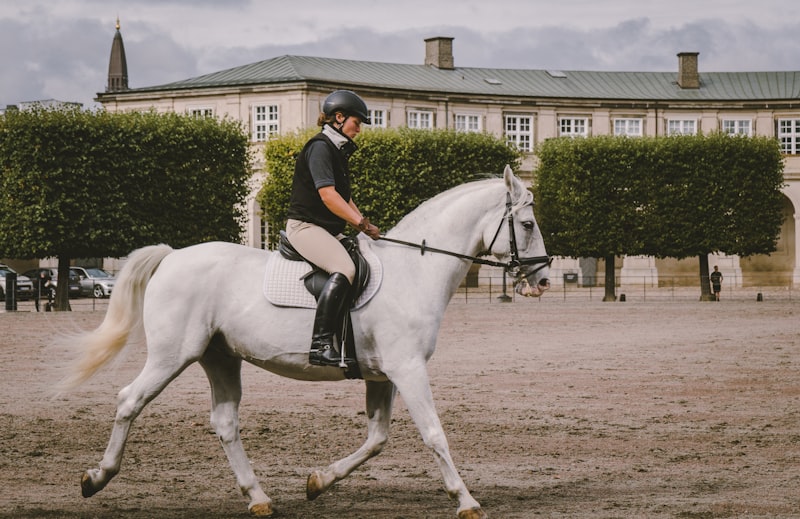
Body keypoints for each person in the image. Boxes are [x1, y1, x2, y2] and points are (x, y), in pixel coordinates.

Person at [285, 90, 381, 367]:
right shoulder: (320, 147)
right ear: (339, 118)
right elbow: (328, 195)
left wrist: (364, 226)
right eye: (357, 122)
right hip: (306, 227)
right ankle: (321, 344)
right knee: (345, 269)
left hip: (326, 229)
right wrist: (359, 223)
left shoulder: (337, 151)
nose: (359, 130)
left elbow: (345, 198)